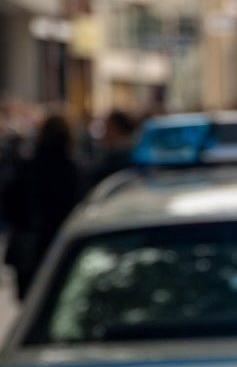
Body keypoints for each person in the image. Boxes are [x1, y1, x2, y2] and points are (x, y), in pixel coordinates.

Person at [2, 114, 81, 299]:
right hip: (60, 244)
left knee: (30, 301)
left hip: (31, 246)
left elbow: (9, 203)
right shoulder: (73, 169)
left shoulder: (27, 166)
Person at [87, 109, 137, 188]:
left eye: (107, 128)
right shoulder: (134, 151)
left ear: (116, 129)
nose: (105, 133)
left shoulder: (117, 157)